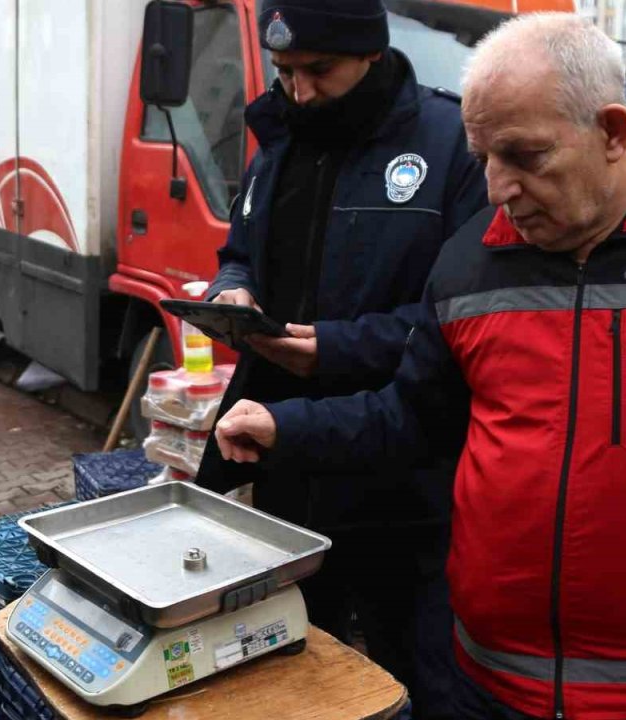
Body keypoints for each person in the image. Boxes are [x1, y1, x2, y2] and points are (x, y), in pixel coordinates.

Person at [214, 13, 626, 720]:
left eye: (524, 157)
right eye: (484, 158)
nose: (498, 188)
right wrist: (287, 426)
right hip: (490, 687)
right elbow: (414, 418)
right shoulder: (471, 261)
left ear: (613, 132)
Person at [195, 1, 488, 716]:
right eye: (285, 72)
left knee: (417, 681)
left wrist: (336, 349)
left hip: (406, 484)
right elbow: (238, 254)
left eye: (317, 70)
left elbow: (466, 321)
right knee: (301, 674)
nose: (298, 91)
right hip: (291, 465)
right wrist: (231, 293)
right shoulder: (278, 146)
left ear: (371, 53)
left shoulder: (453, 147)